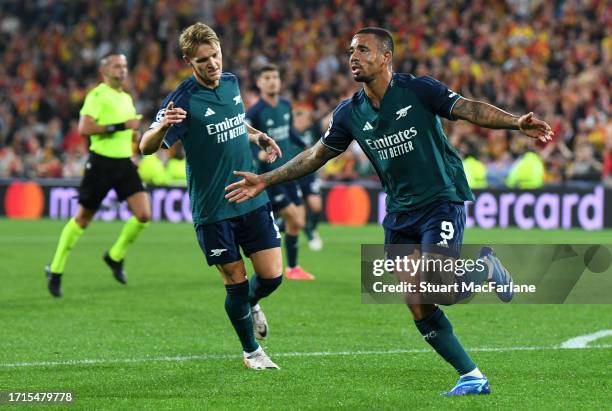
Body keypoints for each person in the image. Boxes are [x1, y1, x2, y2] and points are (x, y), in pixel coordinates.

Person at [225, 27, 553, 394]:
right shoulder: (350, 113)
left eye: (362, 49)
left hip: (439, 200)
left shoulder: (418, 89)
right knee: (416, 301)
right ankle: (472, 376)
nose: (353, 56)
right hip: (399, 212)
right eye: (350, 50)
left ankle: (484, 266)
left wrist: (514, 121)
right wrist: (267, 180)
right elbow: (317, 155)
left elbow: (468, 109)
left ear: (385, 57)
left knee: (439, 286)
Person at [140, 23, 284, 370]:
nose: (213, 64)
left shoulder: (232, 82)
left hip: (251, 198)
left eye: (216, 56)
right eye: (203, 60)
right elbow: (145, 147)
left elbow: (235, 120)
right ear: (189, 60)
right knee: (234, 282)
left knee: (272, 276)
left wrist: (258, 136)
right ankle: (252, 352)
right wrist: (160, 127)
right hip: (214, 208)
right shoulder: (182, 100)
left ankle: (252, 303)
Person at [45, 53, 151, 298]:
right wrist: (120, 126)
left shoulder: (126, 98)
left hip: (124, 163)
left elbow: (130, 131)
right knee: (82, 219)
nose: (123, 70)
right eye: (117, 66)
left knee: (144, 214)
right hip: (101, 163)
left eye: (125, 66)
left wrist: (134, 141)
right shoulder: (97, 95)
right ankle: (56, 269)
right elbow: (84, 128)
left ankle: (114, 256)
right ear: (104, 71)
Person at [246, 65, 315, 280]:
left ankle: (293, 268)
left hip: (289, 172)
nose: (272, 81)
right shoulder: (255, 112)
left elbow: (289, 131)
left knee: (298, 222)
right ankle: (263, 234)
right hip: (269, 177)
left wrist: (303, 143)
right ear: (259, 83)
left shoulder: (285, 105)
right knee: (293, 217)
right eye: (267, 78)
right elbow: (244, 137)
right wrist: (256, 154)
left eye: (275, 76)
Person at [293, 105, 324, 251]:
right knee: (301, 211)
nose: (302, 119)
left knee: (316, 206)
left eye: (304, 116)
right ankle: (310, 235)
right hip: (295, 175)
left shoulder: (313, 129)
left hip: (310, 175)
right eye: (299, 116)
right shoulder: (289, 133)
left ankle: (312, 228)